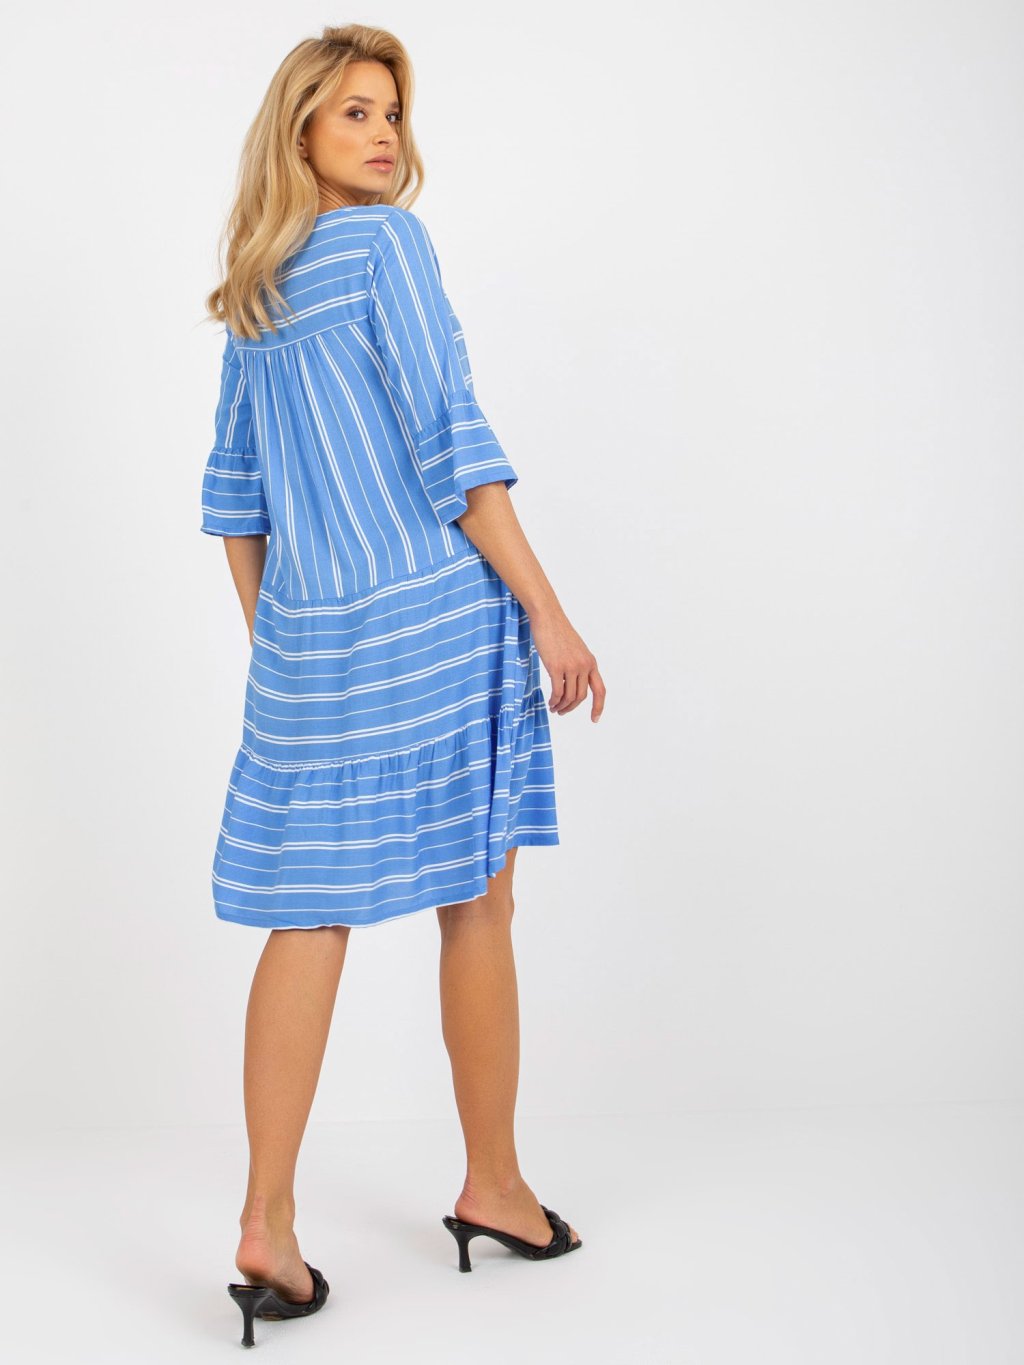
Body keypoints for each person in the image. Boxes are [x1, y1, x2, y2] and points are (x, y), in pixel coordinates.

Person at [201, 24, 605, 1346]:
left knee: (307, 915)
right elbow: (453, 446)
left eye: (390, 112)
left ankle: (267, 1221)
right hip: (435, 621)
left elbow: (236, 504)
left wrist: (284, 648)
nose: (383, 135)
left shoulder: (255, 289)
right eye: (354, 113)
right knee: (477, 902)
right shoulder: (386, 246)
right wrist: (547, 610)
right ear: (301, 132)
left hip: (313, 642)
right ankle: (494, 1186)